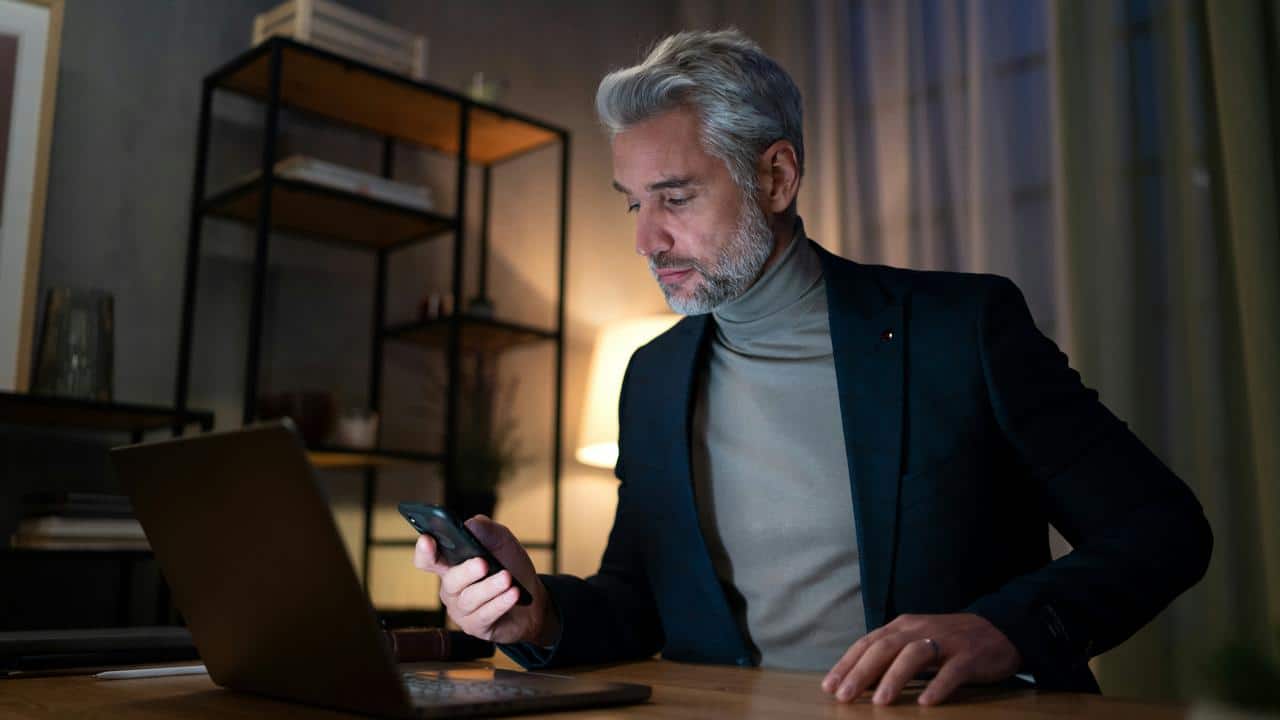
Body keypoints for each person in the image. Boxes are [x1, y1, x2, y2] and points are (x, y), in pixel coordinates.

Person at [412, 29, 1212, 706]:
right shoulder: (651, 376)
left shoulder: (960, 329)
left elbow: (1163, 529)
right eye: (634, 202)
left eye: (676, 198)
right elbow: (637, 601)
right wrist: (535, 611)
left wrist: (1005, 628)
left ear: (776, 177)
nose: (645, 241)